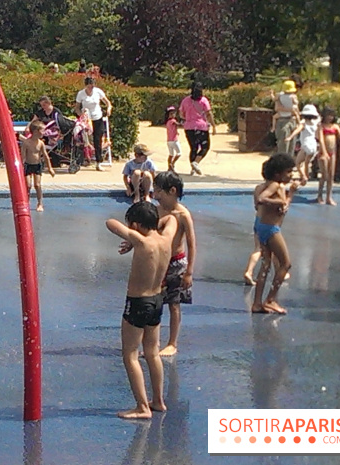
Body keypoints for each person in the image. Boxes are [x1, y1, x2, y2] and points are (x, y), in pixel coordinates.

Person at [106, 202, 176, 419]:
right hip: (157, 300)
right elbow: (171, 219)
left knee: (130, 354)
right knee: (152, 352)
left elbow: (110, 223)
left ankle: (142, 407)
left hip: (137, 303)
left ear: (135, 225)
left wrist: (131, 237)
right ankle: (158, 401)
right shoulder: (166, 239)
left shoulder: (142, 242)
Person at [153, 171, 197, 357]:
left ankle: (172, 342)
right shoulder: (156, 210)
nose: (155, 195)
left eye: (158, 191)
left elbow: (191, 244)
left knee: (174, 303)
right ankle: (152, 343)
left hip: (177, 263)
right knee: (154, 302)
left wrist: (189, 272)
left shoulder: (182, 214)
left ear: (172, 191)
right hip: (158, 262)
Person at [251, 154, 298, 314]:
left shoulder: (260, 186)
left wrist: (290, 194)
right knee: (285, 263)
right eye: (289, 172)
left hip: (260, 226)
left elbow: (261, 205)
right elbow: (263, 200)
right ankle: (270, 299)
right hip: (271, 229)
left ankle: (257, 303)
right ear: (278, 173)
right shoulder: (276, 186)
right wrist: (280, 201)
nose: (291, 175)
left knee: (266, 264)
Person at [316, 107, 340, 206]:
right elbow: (321, 140)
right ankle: (320, 195)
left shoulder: (335, 127)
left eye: (331, 115)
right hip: (323, 152)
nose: (329, 117)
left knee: (331, 176)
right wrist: (324, 152)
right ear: (324, 116)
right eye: (328, 115)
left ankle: (329, 197)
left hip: (332, 152)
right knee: (324, 175)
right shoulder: (321, 126)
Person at [74, 77, 113, 171]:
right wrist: (81, 115)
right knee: (85, 139)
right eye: (89, 86)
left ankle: (98, 162)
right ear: (86, 85)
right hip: (87, 119)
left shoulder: (98, 92)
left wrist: (108, 109)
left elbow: (108, 103)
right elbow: (77, 108)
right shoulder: (81, 94)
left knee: (97, 139)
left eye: (93, 85)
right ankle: (85, 158)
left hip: (97, 117)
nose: (91, 87)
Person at [179, 82, 216, 176]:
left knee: (193, 148)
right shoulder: (203, 100)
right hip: (201, 127)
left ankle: (193, 168)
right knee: (205, 147)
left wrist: (188, 118)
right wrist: (213, 126)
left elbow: (181, 114)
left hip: (188, 127)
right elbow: (208, 113)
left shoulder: (185, 100)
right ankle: (196, 163)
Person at [21, 120, 56, 212]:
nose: (44, 133)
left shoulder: (41, 143)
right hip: (28, 165)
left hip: (37, 165)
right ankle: (26, 202)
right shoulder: (26, 143)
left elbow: (46, 156)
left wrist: (50, 168)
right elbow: (23, 156)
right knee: (28, 185)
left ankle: (40, 203)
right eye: (42, 131)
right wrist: (20, 168)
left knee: (37, 185)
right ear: (36, 131)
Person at [285, 104, 320, 186]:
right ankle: (306, 177)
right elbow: (317, 135)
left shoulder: (303, 124)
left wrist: (290, 137)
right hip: (313, 145)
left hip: (306, 144)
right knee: (307, 163)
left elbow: (297, 130)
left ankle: (304, 176)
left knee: (297, 163)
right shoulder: (315, 124)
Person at [270, 80, 300, 156]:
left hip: (282, 116)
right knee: (290, 146)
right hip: (290, 118)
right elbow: (296, 106)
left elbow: (276, 105)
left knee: (284, 146)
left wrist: (271, 94)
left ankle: (273, 127)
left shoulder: (280, 95)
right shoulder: (293, 96)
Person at [165, 106, 182, 172]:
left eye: (173, 113)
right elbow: (178, 124)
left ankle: (169, 167)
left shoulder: (167, 122)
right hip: (174, 141)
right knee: (179, 153)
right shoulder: (173, 121)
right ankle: (172, 164)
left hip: (169, 141)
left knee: (171, 155)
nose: (173, 115)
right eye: (171, 114)